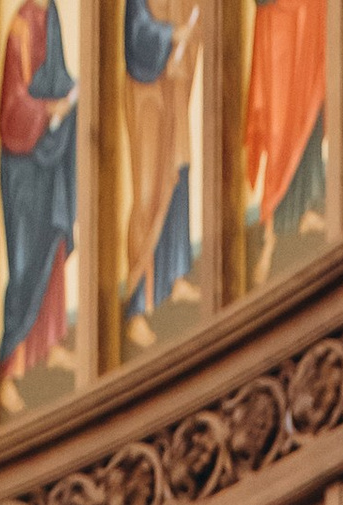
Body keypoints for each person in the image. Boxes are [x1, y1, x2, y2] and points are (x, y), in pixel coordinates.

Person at [0, 0, 77, 411]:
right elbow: (10, 112)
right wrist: (48, 110)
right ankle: (10, 363)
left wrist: (71, 97)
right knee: (25, 263)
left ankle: (50, 342)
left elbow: (58, 77)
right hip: (23, 163)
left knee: (54, 245)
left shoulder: (52, 16)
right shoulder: (21, 28)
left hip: (51, 149)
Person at [121, 0, 201, 348]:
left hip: (174, 88)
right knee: (148, 191)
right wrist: (170, 34)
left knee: (178, 174)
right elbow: (136, 36)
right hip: (146, 96)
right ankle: (137, 301)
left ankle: (176, 273)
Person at [241, 0, 326, 265]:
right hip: (280, 25)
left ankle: (305, 207)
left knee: (311, 107)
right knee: (281, 121)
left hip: (311, 13)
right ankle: (277, 219)